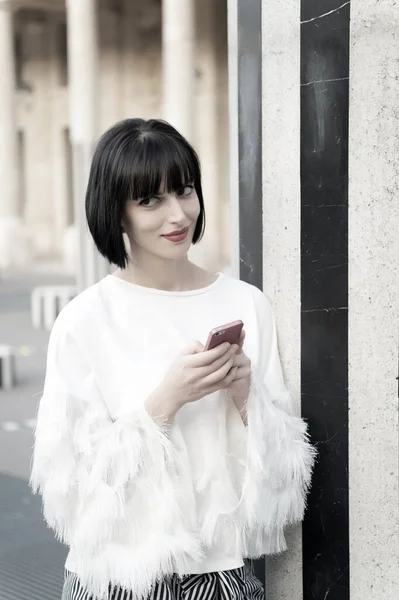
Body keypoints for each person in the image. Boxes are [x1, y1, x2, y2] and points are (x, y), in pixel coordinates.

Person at [30, 118, 316, 600]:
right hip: (114, 581)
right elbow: (71, 493)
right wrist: (163, 403)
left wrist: (248, 399)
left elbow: (286, 486)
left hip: (222, 578)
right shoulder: (83, 322)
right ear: (116, 212)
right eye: (150, 200)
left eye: (185, 190)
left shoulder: (247, 304)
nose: (178, 214)